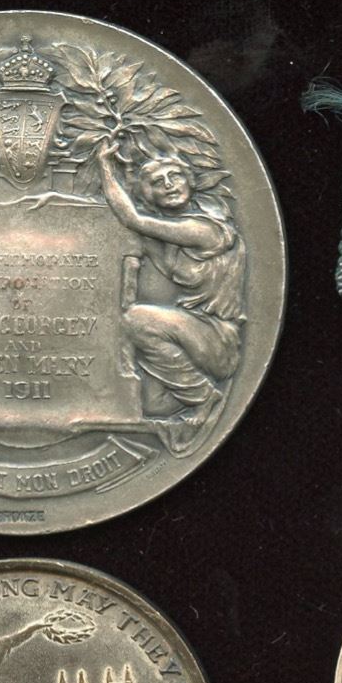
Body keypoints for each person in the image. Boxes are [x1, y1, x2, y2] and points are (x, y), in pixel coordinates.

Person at [97, 140, 246, 456]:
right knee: (152, 404)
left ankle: (204, 396)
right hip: (193, 339)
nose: (169, 185)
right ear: (146, 194)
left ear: (189, 181)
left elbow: (132, 220)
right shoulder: (166, 239)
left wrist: (105, 166)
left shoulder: (206, 230)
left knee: (136, 320)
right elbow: (132, 233)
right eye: (157, 181)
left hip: (218, 339)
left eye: (174, 176)